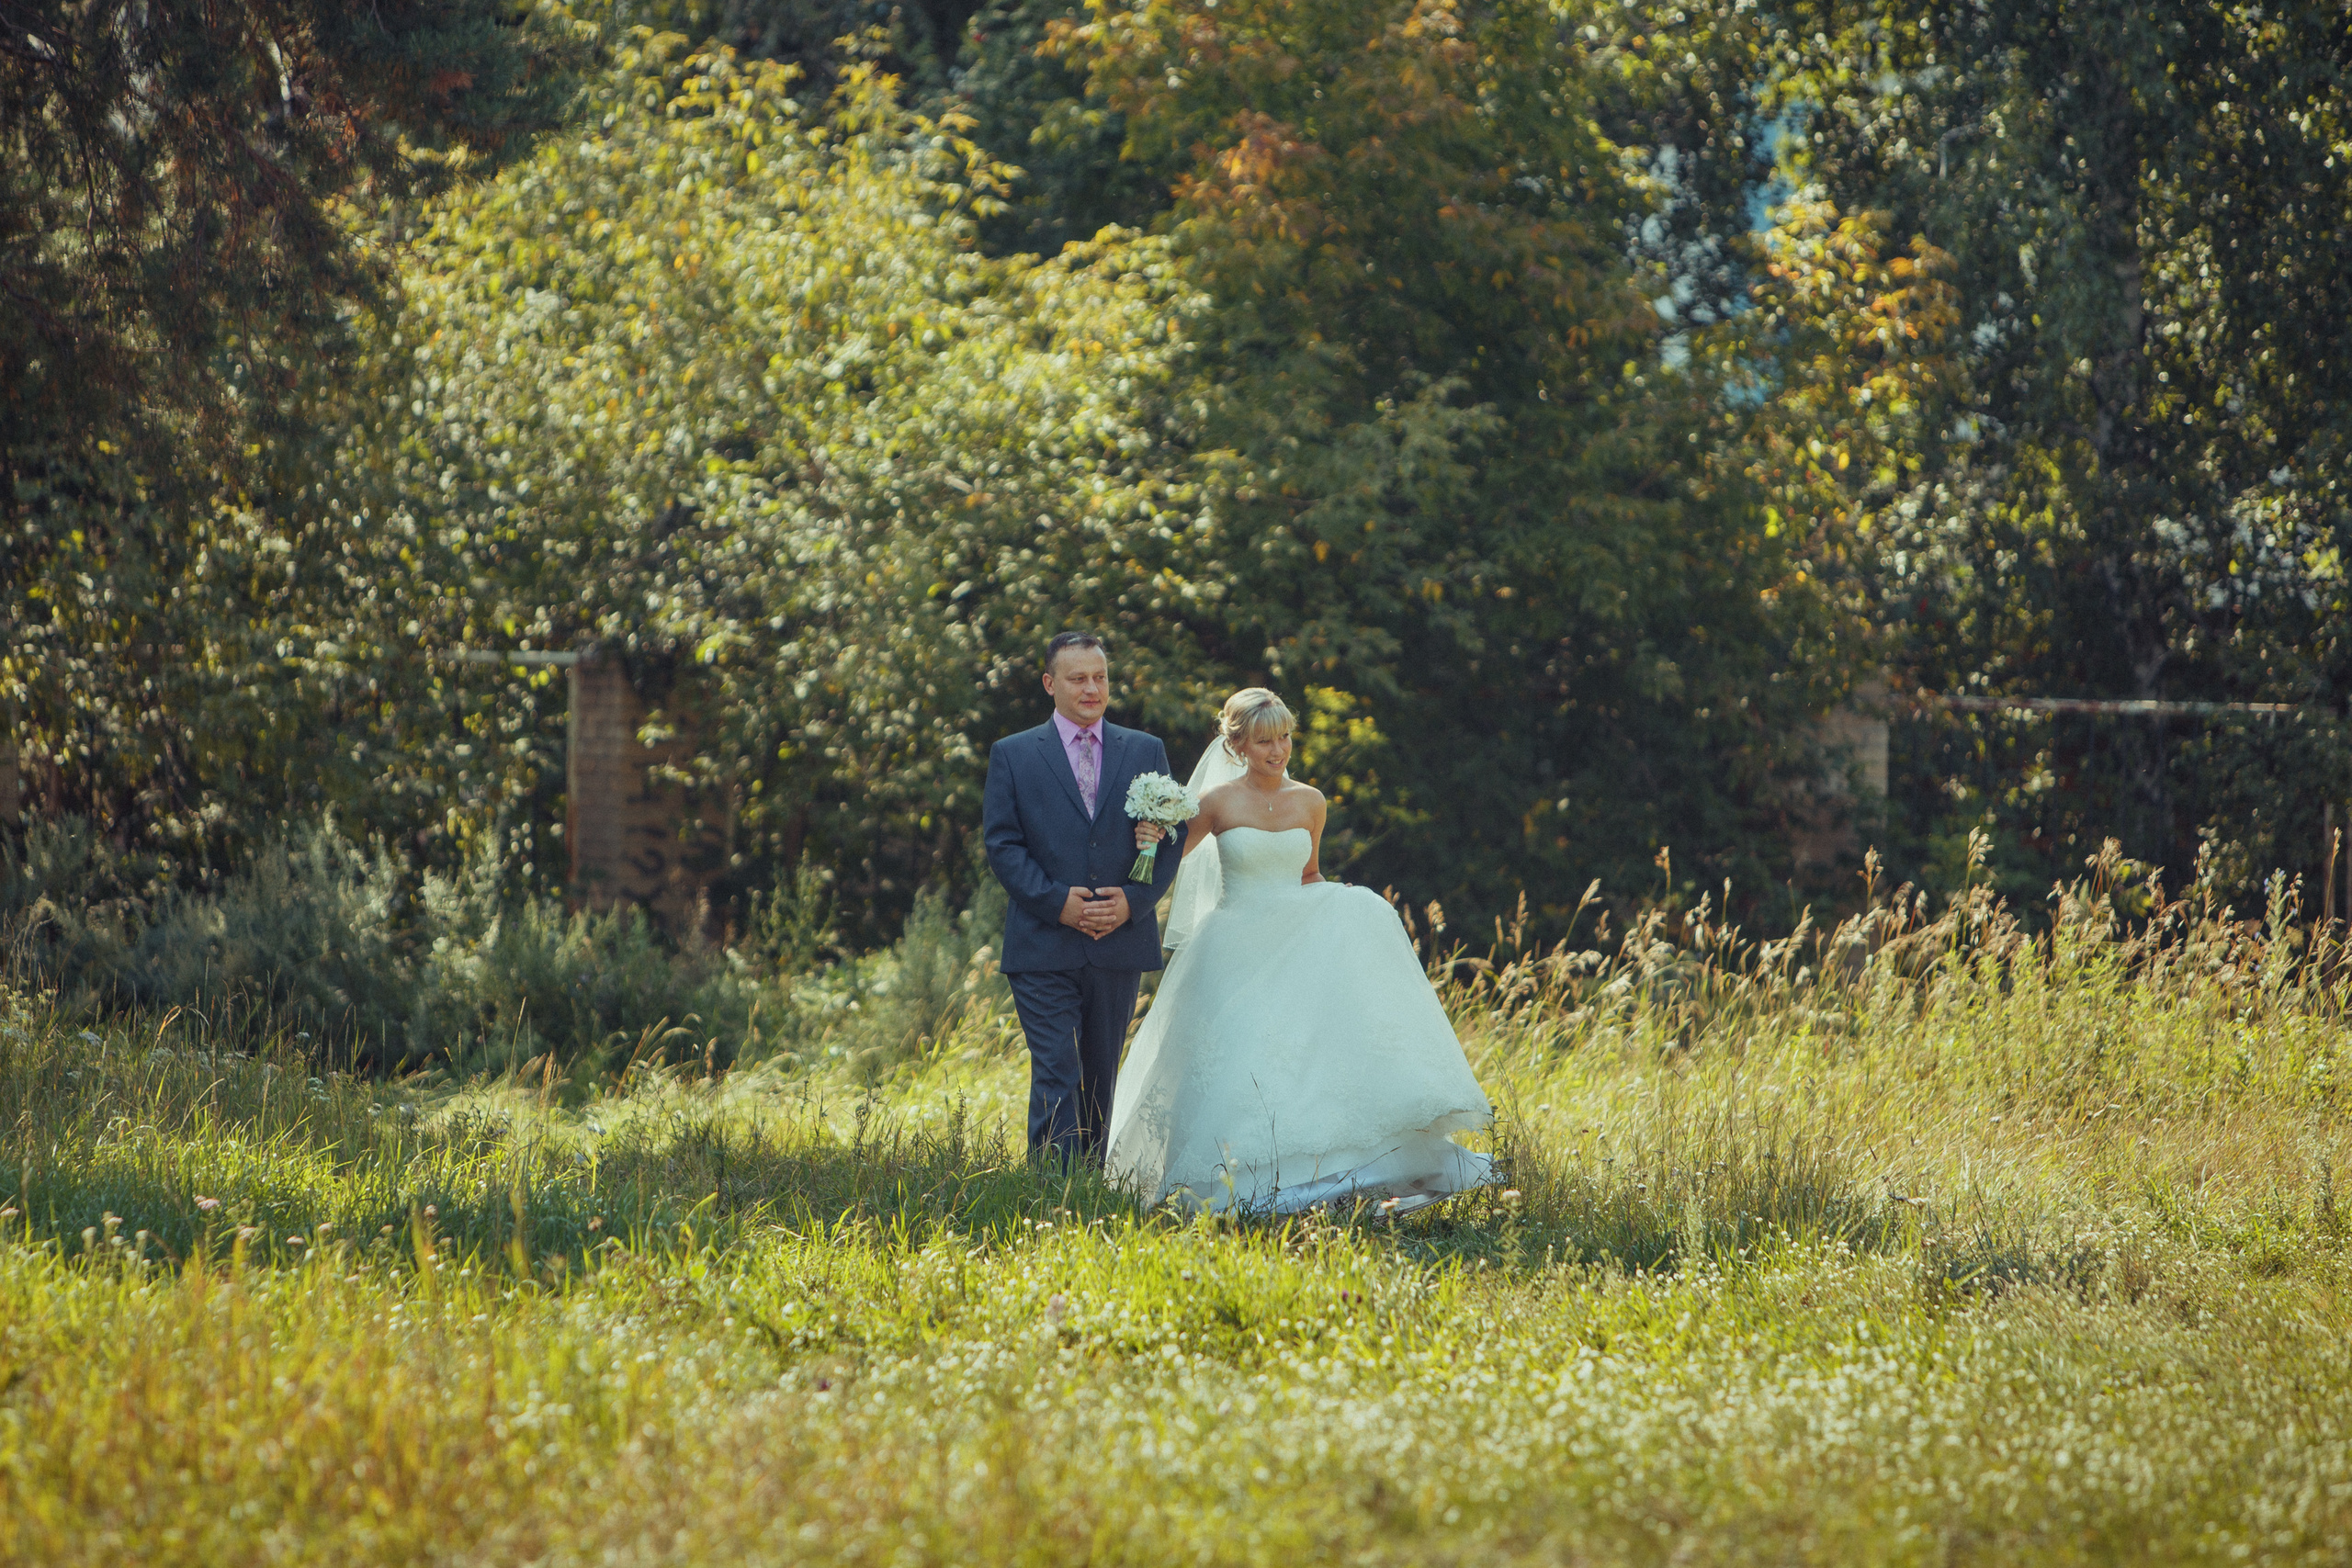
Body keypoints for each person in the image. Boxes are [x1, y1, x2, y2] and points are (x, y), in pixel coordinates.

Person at [1105, 688, 1495, 1214]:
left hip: (1298, 939)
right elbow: (1171, 866)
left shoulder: (1311, 800)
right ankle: (1240, 1178)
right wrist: (1147, 845)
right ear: (1238, 745)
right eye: (1265, 740)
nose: (1278, 749)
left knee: (1315, 1052)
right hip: (1235, 946)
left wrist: (1344, 921)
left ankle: (1344, 1171)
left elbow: (1310, 875)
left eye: (1285, 737)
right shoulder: (1216, 804)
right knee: (1244, 1058)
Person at [982, 632, 1185, 1164]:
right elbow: (1002, 844)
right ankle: (1052, 1189)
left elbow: (1172, 836)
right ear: (1051, 684)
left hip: (1119, 941)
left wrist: (1134, 903)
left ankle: (1092, 1190)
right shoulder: (1014, 754)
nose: (1092, 688)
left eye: (1100, 677)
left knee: (1101, 1074)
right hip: (1042, 941)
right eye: (1078, 678)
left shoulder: (1145, 750)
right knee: (1056, 1067)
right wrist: (1057, 903)